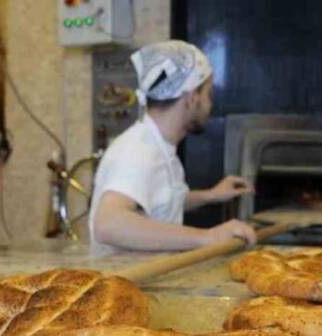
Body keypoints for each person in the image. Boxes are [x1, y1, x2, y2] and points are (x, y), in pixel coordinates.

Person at [88, 40, 257, 252]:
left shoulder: (160, 147)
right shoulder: (138, 151)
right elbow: (108, 225)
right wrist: (208, 237)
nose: (210, 105)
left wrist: (211, 195)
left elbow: (160, 203)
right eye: (208, 94)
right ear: (191, 98)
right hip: (122, 280)